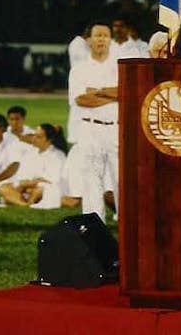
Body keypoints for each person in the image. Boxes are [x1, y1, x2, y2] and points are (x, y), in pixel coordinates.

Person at [68, 20, 119, 222]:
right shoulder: (79, 70)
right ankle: (95, 224)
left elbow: (125, 93)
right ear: (88, 40)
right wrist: (111, 95)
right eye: (97, 35)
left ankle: (126, 224)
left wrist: (97, 91)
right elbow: (81, 99)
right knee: (91, 180)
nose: (101, 40)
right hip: (90, 128)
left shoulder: (119, 67)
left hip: (114, 129)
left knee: (120, 179)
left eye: (105, 36)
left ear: (110, 40)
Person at [0, 124, 67, 208]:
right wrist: (25, 185)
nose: (34, 139)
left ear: (49, 140)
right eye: (34, 135)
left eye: (38, 137)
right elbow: (22, 176)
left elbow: (51, 181)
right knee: (4, 187)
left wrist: (30, 184)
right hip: (27, 188)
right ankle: (25, 204)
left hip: (45, 190)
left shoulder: (58, 156)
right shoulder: (31, 152)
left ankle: (19, 201)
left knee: (39, 191)